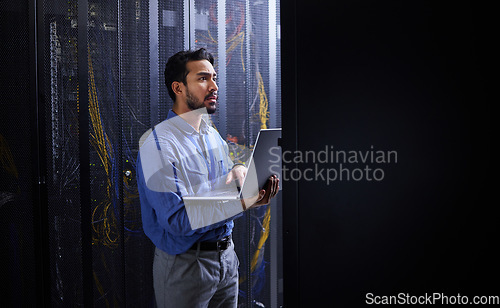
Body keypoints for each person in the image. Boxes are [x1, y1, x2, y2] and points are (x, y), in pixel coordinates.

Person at [136, 48, 279, 308]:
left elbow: (217, 185)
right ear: (178, 88)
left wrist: (237, 169)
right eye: (203, 78)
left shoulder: (211, 134)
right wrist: (243, 202)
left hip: (226, 260)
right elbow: (178, 220)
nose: (214, 86)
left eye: (214, 78)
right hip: (186, 267)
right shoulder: (158, 145)